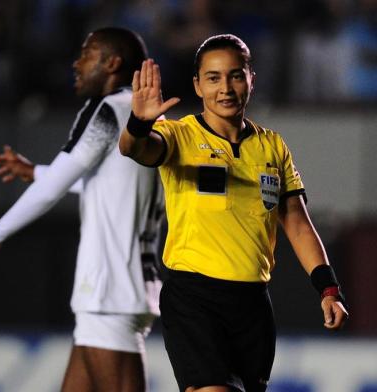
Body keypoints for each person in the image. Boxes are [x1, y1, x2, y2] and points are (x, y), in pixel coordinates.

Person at [118, 34, 349, 392]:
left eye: (235, 75)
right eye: (213, 77)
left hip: (252, 306)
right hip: (194, 299)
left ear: (250, 79)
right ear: (197, 84)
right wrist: (138, 124)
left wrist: (328, 289)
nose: (225, 87)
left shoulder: (272, 146)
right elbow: (137, 149)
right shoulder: (179, 136)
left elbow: (298, 223)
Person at [0, 27, 163, 392]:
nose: (76, 63)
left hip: (107, 288)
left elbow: (53, 189)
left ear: (111, 62)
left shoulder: (106, 110)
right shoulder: (149, 119)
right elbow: (107, 184)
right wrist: (34, 171)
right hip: (127, 285)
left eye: (87, 53)